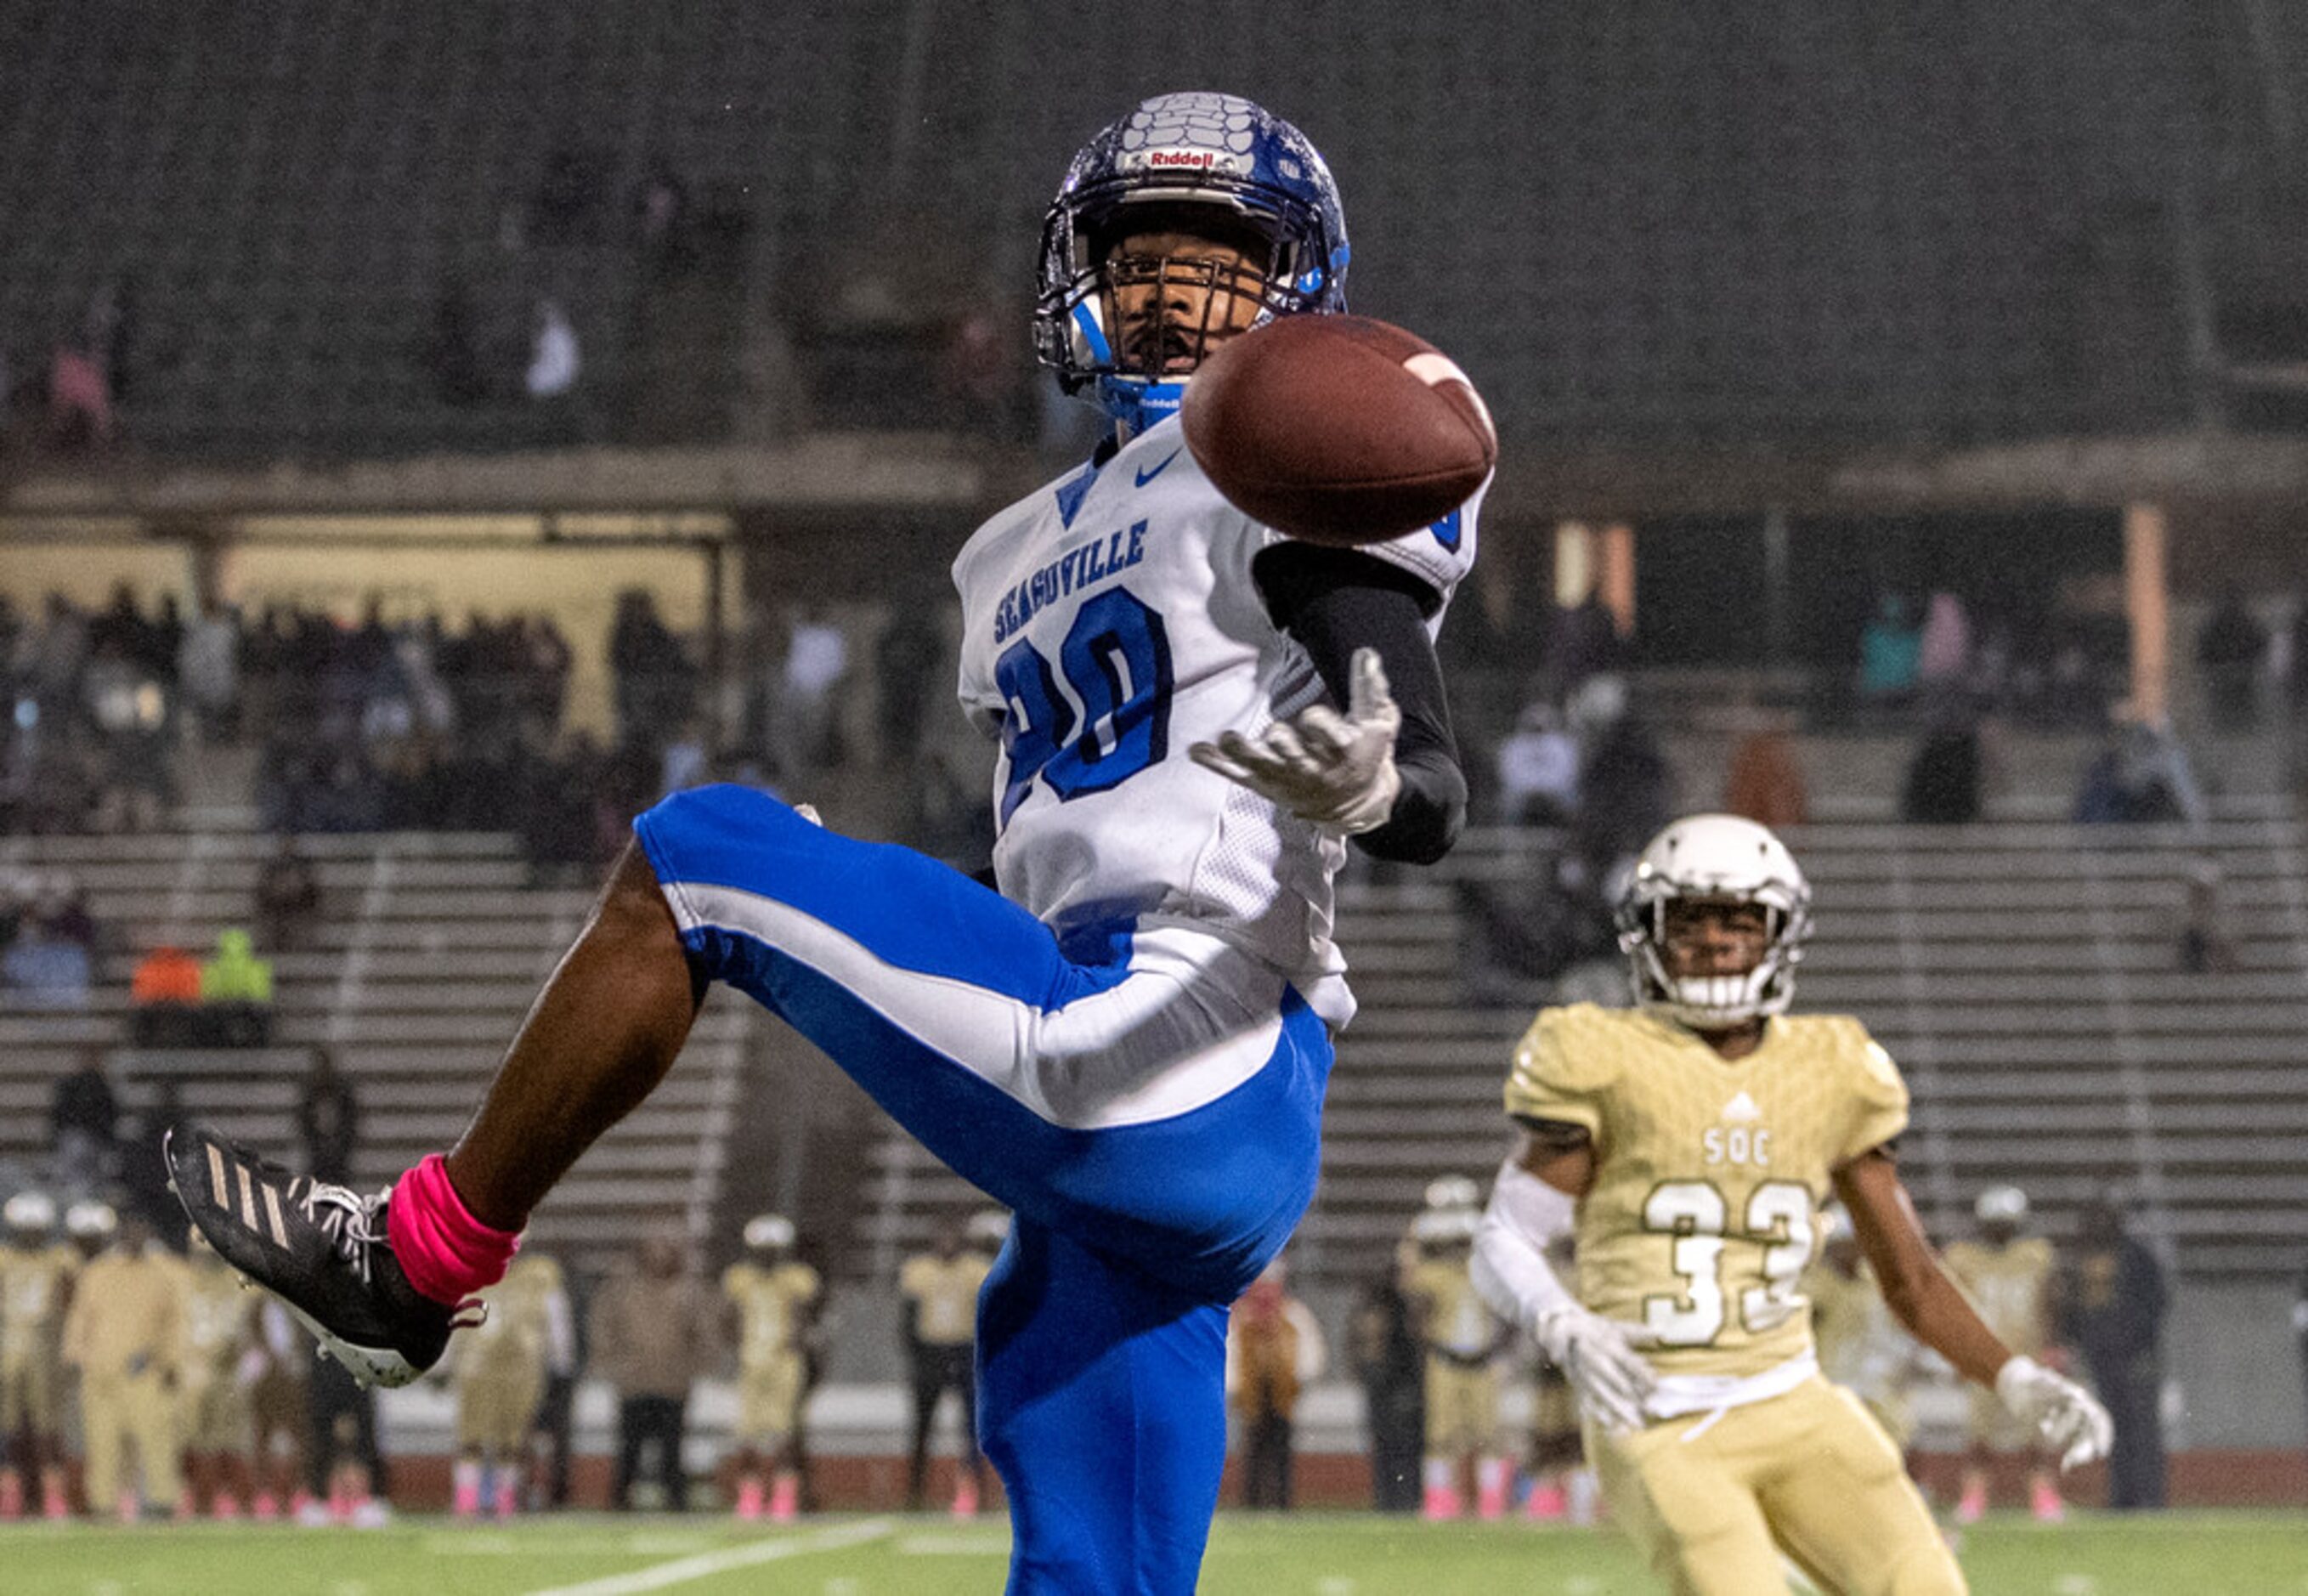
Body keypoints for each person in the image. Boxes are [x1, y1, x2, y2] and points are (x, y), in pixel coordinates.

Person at [170, 89, 1475, 1593]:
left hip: (1187, 1038)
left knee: (702, 853)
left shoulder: (1299, 456)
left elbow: (1419, 757)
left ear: (1300, 288)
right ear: (1082, 281)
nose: (1172, 294)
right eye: (1138, 259)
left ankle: (416, 1263)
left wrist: (1390, 780)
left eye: (1221, 263)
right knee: (1090, 1549)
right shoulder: (1015, 546)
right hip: (1133, 1074)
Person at [1468, 814, 2109, 1596]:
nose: (1716, 941)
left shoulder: (1831, 1068)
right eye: (1691, 921)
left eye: (1742, 921)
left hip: (1793, 1399)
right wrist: (1560, 1322)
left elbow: (1908, 1277)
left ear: (1782, 936)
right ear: (1648, 937)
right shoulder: (1604, 1055)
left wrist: (2012, 1378)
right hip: (1658, 1411)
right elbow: (1502, 1238)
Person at [1943, 1185, 2066, 1524]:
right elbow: (1952, 1310)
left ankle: (2043, 1496)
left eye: (2006, 1222)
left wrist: (2052, 1347)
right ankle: (1973, 1497)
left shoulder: (2035, 1254)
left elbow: (2050, 1302)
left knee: (2035, 1434)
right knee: (1979, 1434)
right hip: (1983, 1358)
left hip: (2026, 1357)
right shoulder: (1963, 1257)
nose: (2001, 1229)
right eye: (1996, 1222)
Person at [61, 1212, 181, 1520]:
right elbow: (80, 1317)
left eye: (141, 1230)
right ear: (120, 1234)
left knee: (156, 1439)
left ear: (149, 1234)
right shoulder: (98, 1272)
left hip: (144, 1371)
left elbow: (173, 1323)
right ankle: (102, 1504)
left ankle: (160, 1502)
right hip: (99, 1371)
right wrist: (75, 1355)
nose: (135, 1237)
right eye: (130, 1231)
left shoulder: (162, 1275)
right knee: (102, 1443)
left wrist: (170, 1361)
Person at [1400, 1186, 1510, 1520]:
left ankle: (1491, 1500)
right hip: (1446, 1358)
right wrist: (1415, 1235)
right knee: (1441, 1435)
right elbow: (1408, 1277)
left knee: (1489, 1434)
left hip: (1482, 1360)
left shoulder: (1487, 1275)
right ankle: (1438, 1498)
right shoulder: (1436, 1276)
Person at [591, 1232, 716, 1511]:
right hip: (634, 1381)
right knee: (630, 1446)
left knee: (672, 1446)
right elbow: (604, 1326)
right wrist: (614, 1364)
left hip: (672, 1382)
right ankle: (621, 1498)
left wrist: (692, 1367)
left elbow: (703, 1333)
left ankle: (675, 1498)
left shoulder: (687, 1291)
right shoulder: (624, 1289)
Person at [2061, 1195, 2168, 1510]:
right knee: (2113, 1429)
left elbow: (2157, 1301)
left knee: (2142, 1428)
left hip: (2135, 1357)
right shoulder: (2085, 1257)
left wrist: (2135, 1338)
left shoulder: (2138, 1257)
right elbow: (2075, 1306)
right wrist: (2079, 1339)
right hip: (2102, 1356)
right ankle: (2122, 1498)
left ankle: (2150, 1498)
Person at [722, 1214, 819, 1521]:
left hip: (784, 1362)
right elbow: (729, 1318)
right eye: (762, 1247)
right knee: (747, 1434)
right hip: (751, 1361)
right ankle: (750, 1495)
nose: (767, 1253)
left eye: (772, 1248)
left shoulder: (796, 1279)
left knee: (785, 1433)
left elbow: (803, 1316)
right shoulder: (740, 1278)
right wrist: (736, 1344)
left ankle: (784, 1495)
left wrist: (795, 1343)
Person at [898, 1215, 992, 1515]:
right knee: (922, 1426)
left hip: (964, 1349)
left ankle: (970, 1489)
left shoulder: (976, 1270)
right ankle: (915, 1491)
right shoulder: (918, 1270)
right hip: (930, 1351)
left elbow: (989, 1313)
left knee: (970, 1426)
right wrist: (913, 1353)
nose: (947, 1244)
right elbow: (907, 1318)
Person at [1224, 1257, 1324, 1510]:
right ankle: (1252, 1503)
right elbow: (1230, 1352)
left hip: (1282, 1392)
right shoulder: (1240, 1318)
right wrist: (1235, 1388)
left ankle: (1282, 1503)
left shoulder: (1293, 1314)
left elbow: (1311, 1351)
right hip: (1252, 1393)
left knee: (1281, 1449)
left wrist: (1299, 1380)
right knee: (1252, 1448)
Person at [0, 1192, 76, 1520]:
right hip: (7, 1351)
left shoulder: (61, 1260)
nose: (31, 1236)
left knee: (47, 1430)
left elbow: (70, 1304)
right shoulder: (4, 1258)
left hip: (47, 1354)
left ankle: (50, 1496)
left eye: (37, 1229)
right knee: (9, 1430)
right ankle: (13, 1496)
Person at [176, 1227, 257, 1519]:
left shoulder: (239, 1281)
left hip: (230, 1374)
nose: (207, 1259)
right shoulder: (181, 1280)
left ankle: (244, 1504)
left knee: (234, 1441)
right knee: (196, 1441)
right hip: (192, 1372)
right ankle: (201, 1504)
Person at [1347, 1271, 1423, 1513]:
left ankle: (1398, 1499)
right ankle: (1394, 1499)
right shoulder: (1383, 1314)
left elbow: (1404, 1355)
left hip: (1395, 1389)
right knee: (1390, 1448)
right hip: (1384, 1389)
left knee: (1397, 1449)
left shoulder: (1393, 1315)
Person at [295, 1050, 361, 1185]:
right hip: (318, 1152)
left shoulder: (341, 1091)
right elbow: (304, 1120)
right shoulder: (311, 1092)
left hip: (338, 1152)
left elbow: (351, 1118)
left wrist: (340, 1141)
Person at [253, 835, 323, 954]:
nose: (287, 846)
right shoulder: (273, 864)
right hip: (278, 903)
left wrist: (294, 887)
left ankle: (299, 945)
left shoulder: (302, 864)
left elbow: (312, 889)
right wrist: (280, 888)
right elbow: (264, 886)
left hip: (299, 902)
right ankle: (277, 942)